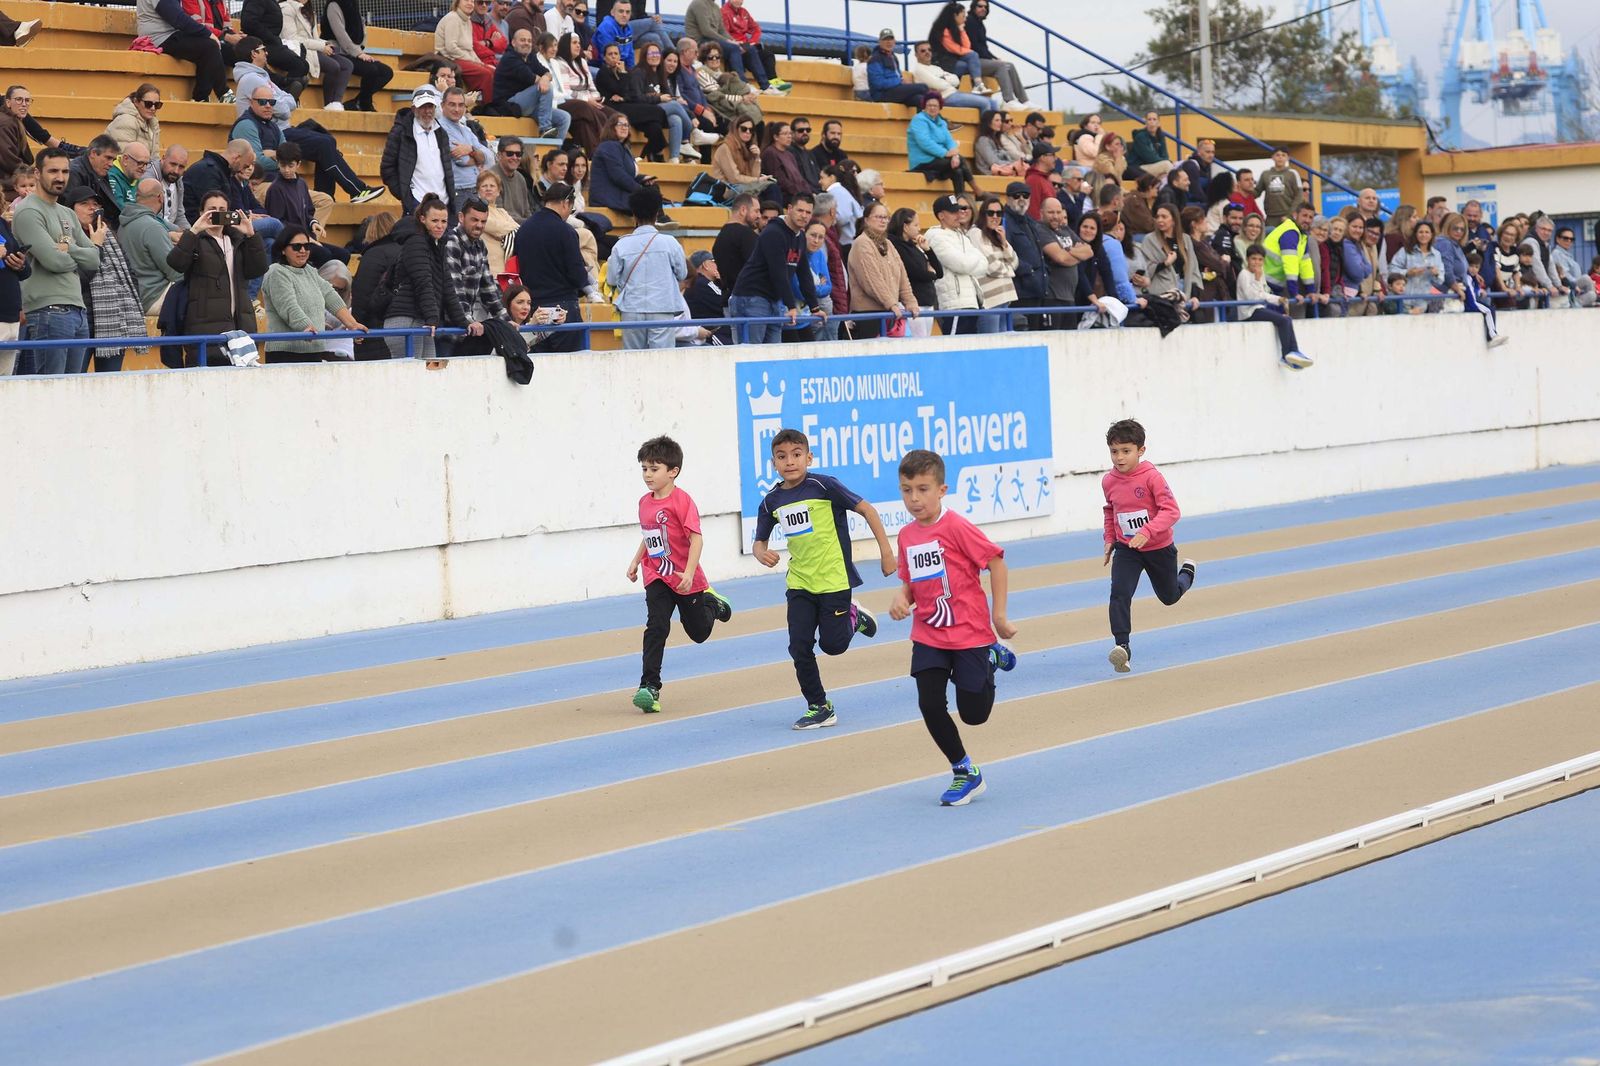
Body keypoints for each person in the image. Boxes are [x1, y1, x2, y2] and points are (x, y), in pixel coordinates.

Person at [888, 446, 1016, 806]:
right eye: (907, 490)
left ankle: (990, 659)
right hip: (928, 632)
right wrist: (902, 598)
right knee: (929, 703)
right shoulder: (907, 536)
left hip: (969, 633)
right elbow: (911, 582)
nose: (914, 498)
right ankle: (965, 771)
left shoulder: (957, 527)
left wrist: (999, 616)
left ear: (942, 490)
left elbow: (997, 563)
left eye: (923, 489)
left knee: (974, 715)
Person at [750, 428, 893, 730]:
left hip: (834, 581)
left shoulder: (824, 486)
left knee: (833, 646)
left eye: (796, 455)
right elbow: (759, 541)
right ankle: (819, 706)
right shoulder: (771, 501)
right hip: (800, 583)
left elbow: (866, 509)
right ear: (773, 463)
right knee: (799, 646)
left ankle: (853, 617)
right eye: (781, 456)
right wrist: (760, 552)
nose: (790, 461)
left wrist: (886, 552)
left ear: (808, 457)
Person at [627, 434, 735, 715]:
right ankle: (649, 687)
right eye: (644, 469)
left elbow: (696, 539)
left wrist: (688, 573)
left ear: (673, 471)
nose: (647, 475)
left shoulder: (682, 501)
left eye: (654, 469)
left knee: (698, 633)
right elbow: (649, 536)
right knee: (656, 625)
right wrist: (636, 561)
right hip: (657, 576)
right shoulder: (644, 502)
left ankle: (713, 603)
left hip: (685, 578)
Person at [1102, 419, 1196, 674]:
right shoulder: (1108, 481)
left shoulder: (1151, 477)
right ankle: (1122, 647)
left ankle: (1186, 575)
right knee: (1119, 593)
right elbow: (1111, 510)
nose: (1119, 458)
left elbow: (1172, 511)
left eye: (1126, 451)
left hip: (1158, 548)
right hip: (1127, 549)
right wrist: (1110, 538)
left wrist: (1148, 531)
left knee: (1169, 597)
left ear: (1141, 450)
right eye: (1114, 451)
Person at [12, 148, 102, 375]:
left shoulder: (67, 213)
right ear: (37, 173)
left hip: (78, 311)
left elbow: (94, 260)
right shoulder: (28, 211)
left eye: (65, 171)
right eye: (53, 171)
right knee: (50, 392)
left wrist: (68, 248)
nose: (60, 177)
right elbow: (54, 261)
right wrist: (77, 254)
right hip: (48, 311)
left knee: (71, 391)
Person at [165, 188, 267, 366]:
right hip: (205, 327)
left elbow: (257, 269)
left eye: (222, 210)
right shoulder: (194, 239)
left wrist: (251, 235)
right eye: (212, 209)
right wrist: (194, 230)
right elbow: (176, 263)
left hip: (240, 327)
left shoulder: (238, 239)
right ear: (202, 213)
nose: (217, 214)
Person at [382, 194, 474, 358]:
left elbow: (447, 286)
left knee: (429, 375)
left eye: (443, 221)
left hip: (422, 321)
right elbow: (423, 282)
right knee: (412, 377)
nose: (440, 226)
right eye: (435, 221)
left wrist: (463, 321)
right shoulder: (416, 242)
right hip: (406, 320)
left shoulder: (437, 245)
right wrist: (433, 318)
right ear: (422, 219)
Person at [260, 223, 366, 362]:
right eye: (297, 246)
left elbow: (330, 296)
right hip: (286, 352)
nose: (303, 250)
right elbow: (288, 306)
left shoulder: (310, 271)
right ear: (283, 250)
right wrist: (305, 326)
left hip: (314, 348)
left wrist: (352, 324)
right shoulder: (276, 272)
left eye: (307, 246)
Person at [729, 192, 822, 343]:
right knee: (752, 355)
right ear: (789, 209)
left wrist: (815, 308)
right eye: (800, 210)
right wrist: (791, 306)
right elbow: (778, 272)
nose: (804, 215)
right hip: (752, 297)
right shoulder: (773, 233)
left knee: (773, 355)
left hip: (774, 300)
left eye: (808, 212)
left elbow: (804, 274)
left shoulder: (800, 237)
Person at [605, 186, 686, 348]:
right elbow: (682, 274)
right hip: (662, 308)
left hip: (631, 309)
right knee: (662, 362)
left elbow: (612, 279)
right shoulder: (670, 243)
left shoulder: (621, 245)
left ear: (634, 214)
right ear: (657, 213)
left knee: (633, 360)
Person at [514, 181, 585, 351]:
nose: (569, 214)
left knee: (539, 368)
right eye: (571, 209)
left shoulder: (523, 230)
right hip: (564, 308)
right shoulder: (566, 231)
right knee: (569, 367)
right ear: (565, 203)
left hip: (535, 310)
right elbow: (577, 275)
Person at [847, 200, 917, 339]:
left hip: (889, 312)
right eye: (878, 217)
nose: (883, 221)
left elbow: (902, 276)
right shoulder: (862, 243)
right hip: (869, 314)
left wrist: (910, 301)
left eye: (885, 217)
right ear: (866, 220)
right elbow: (872, 280)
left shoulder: (888, 243)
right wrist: (891, 303)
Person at [135, 0, 230, 102]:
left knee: (220, 48)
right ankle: (209, 96)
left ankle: (213, 95)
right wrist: (207, 34)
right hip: (159, 38)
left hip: (172, 34)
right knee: (209, 47)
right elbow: (177, 18)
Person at [381, 86, 455, 214]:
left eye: (430, 107)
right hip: (416, 203)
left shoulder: (441, 132)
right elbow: (387, 168)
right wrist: (405, 195)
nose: (427, 111)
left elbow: (447, 168)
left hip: (443, 202)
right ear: (414, 109)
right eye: (423, 107)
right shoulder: (401, 132)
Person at [1238, 242, 1312, 367]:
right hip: (1248, 312)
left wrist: (1279, 299)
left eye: (1260, 260)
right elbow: (1252, 297)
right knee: (1283, 320)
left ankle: (1293, 351)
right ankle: (1286, 355)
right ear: (1247, 259)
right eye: (1253, 259)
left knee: (1287, 318)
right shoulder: (1244, 274)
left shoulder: (1259, 274)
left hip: (1259, 308)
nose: (1257, 262)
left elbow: (1263, 294)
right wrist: (1256, 279)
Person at [119, 177, 184, 314]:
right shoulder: (152, 227)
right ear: (161, 198)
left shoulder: (124, 223)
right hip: (154, 297)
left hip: (134, 296)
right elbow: (174, 271)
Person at [595, 43, 669, 161]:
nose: (614, 56)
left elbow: (631, 93)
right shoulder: (603, 72)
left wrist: (624, 96)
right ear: (604, 58)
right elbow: (619, 89)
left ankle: (643, 156)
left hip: (626, 104)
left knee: (655, 126)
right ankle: (655, 155)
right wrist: (623, 75)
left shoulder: (626, 71)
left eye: (616, 53)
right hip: (613, 107)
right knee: (657, 111)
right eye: (610, 54)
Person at [495, 28, 571, 141]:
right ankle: (545, 128)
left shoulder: (530, 57)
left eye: (529, 41)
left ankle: (553, 152)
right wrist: (545, 79)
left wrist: (545, 77)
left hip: (527, 105)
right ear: (513, 42)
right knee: (546, 87)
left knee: (564, 117)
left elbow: (547, 72)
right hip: (509, 104)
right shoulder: (510, 58)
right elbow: (532, 78)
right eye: (522, 40)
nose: (527, 43)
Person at [924, 194, 984, 334]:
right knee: (955, 346)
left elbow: (984, 265)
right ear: (941, 216)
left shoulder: (962, 236)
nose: (958, 215)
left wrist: (967, 263)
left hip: (972, 302)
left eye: (959, 210)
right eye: (953, 212)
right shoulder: (935, 236)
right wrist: (970, 263)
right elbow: (959, 264)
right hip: (953, 304)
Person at [278, 0, 353, 110]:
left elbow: (314, 38)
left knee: (347, 65)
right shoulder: (286, 8)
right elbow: (292, 38)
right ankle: (328, 104)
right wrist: (321, 46)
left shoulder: (309, 11)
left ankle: (336, 103)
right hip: (299, 49)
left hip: (314, 48)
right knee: (334, 66)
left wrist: (325, 44)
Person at [320, 0, 394, 112]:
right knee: (371, 69)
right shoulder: (333, 5)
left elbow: (361, 29)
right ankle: (364, 103)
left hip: (353, 52)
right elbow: (340, 34)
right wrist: (358, 53)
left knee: (386, 72)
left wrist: (360, 50)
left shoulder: (353, 5)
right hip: (336, 51)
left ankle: (359, 101)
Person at [631, 42, 696, 162]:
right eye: (651, 53)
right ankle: (694, 133)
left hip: (659, 110)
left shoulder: (659, 74)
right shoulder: (638, 72)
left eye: (657, 53)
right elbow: (637, 98)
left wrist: (662, 98)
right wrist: (658, 98)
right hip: (643, 111)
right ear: (645, 55)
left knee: (675, 119)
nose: (654, 56)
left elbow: (669, 96)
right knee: (675, 106)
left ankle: (674, 158)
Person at [688, 38, 763, 140]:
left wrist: (747, 96)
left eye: (717, 56)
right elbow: (716, 96)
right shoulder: (702, 73)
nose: (715, 59)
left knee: (758, 122)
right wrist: (741, 98)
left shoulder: (723, 74)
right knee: (748, 125)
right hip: (720, 112)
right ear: (704, 59)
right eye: (711, 57)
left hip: (730, 109)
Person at [240, 0, 311, 97]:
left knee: (302, 61)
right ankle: (282, 95)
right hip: (262, 45)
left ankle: (287, 92)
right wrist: (271, 38)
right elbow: (249, 22)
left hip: (272, 43)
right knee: (300, 65)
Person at [591, 113, 659, 214]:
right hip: (609, 195)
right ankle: (656, 219)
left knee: (652, 187)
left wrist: (643, 178)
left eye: (626, 125)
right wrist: (640, 190)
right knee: (648, 196)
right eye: (620, 124)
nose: (624, 128)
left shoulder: (623, 148)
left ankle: (658, 218)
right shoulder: (609, 146)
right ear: (611, 127)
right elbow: (618, 176)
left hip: (619, 191)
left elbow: (628, 174)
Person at [437, 87, 492, 210]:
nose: (457, 109)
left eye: (461, 105)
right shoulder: (440, 129)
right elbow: (462, 160)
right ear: (442, 105)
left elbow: (490, 158)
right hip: (458, 191)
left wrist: (470, 149)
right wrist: (478, 156)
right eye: (452, 105)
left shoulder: (466, 130)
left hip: (474, 189)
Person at [907, 95, 974, 196]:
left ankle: (960, 201)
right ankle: (976, 190)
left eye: (935, 106)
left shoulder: (941, 122)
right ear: (924, 107)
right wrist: (945, 153)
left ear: (940, 108)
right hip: (923, 161)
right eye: (929, 105)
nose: (932, 108)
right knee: (960, 162)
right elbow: (925, 142)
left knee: (958, 171)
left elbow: (949, 141)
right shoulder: (918, 120)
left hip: (940, 160)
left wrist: (954, 155)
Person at [963, 0, 1024, 103]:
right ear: (973, 7)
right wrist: (992, 59)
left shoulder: (980, 24)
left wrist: (994, 58)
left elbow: (984, 48)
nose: (983, 9)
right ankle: (1009, 100)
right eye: (980, 6)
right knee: (1001, 66)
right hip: (972, 61)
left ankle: (1024, 100)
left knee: (1010, 66)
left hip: (981, 59)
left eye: (985, 7)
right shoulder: (970, 22)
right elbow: (974, 47)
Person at [436, 0, 497, 103]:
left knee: (493, 70)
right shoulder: (453, 18)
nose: (470, 3)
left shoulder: (468, 21)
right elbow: (451, 48)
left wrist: (481, 63)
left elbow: (470, 49)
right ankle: (487, 106)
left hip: (462, 58)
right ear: (457, 2)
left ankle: (495, 104)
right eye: (466, 0)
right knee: (485, 74)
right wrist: (473, 62)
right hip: (449, 59)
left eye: (472, 1)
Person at [721, 0, 786, 93]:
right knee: (750, 51)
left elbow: (756, 28)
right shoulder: (724, 12)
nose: (738, 1)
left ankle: (773, 81)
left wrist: (752, 41)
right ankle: (764, 85)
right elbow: (724, 33)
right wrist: (737, 43)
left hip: (747, 45)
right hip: (734, 46)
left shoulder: (744, 12)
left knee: (768, 54)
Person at [1263, 201, 1315, 318]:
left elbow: (1305, 264)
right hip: (1265, 285)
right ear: (1295, 215)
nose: (1307, 220)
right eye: (1304, 215)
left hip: (1274, 287)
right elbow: (1290, 264)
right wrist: (1294, 293)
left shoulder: (1302, 236)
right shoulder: (1290, 232)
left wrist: (1311, 290)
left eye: (1310, 217)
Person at [1390, 218, 1443, 315]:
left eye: (1427, 232)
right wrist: (1407, 272)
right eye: (1421, 232)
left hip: (1423, 303)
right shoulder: (1405, 251)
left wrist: (1436, 274)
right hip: (1404, 300)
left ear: (1432, 235)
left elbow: (1440, 280)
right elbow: (1392, 269)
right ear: (1415, 234)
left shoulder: (1437, 255)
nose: (1424, 235)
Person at [927, 2, 984, 93]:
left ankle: (978, 85)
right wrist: (968, 52)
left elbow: (967, 47)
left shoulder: (955, 29)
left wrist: (962, 31)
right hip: (943, 62)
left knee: (973, 55)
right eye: (963, 16)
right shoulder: (942, 31)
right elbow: (956, 49)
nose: (965, 19)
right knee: (968, 64)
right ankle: (976, 84)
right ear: (955, 16)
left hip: (953, 60)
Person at [866, 29, 929, 110]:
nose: (888, 42)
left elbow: (898, 76)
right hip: (882, 95)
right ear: (879, 42)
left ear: (894, 41)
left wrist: (901, 81)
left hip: (895, 91)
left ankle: (920, 122)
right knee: (923, 87)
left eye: (890, 39)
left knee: (920, 99)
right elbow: (878, 83)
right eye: (885, 39)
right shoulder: (875, 59)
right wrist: (899, 81)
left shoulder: (893, 56)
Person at [0, 203, 29, 376]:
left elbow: (25, 272)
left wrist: (21, 265)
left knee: (6, 385)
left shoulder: (2, 223)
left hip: (11, 315)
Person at [710, 118, 771, 197]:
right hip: (727, 190)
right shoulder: (726, 147)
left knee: (770, 186)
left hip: (743, 187)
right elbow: (734, 179)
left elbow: (753, 176)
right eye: (744, 129)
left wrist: (756, 158)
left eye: (751, 130)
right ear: (736, 129)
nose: (748, 132)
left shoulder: (748, 148)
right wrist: (758, 180)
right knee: (760, 189)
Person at [712, 192, 760, 290]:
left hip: (729, 296)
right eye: (756, 211)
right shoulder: (746, 235)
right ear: (743, 210)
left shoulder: (721, 235)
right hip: (750, 297)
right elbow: (758, 269)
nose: (759, 215)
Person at [106, 85, 164, 157]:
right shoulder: (126, 121)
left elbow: (155, 157)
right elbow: (124, 159)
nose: (153, 108)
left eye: (157, 105)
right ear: (136, 102)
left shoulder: (153, 124)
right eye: (148, 104)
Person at [760, 122, 809, 204]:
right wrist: (800, 194)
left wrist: (808, 193)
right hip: (785, 196)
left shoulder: (789, 154)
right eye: (785, 133)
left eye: (790, 133)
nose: (789, 136)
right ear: (776, 137)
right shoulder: (770, 153)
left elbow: (799, 178)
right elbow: (780, 180)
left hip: (798, 194)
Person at [1551, 225, 1596, 307]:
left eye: (1572, 239)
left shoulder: (1567, 255)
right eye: (1565, 238)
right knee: (1586, 279)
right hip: (1567, 286)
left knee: (1592, 295)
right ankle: (1573, 304)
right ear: (1557, 239)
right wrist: (1574, 285)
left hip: (1575, 288)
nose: (1569, 241)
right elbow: (1564, 275)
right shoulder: (1557, 254)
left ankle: (1584, 303)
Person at [973, 110, 1025, 178]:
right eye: (997, 120)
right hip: (990, 174)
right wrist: (1013, 164)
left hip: (1002, 172)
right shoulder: (983, 141)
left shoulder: (996, 139)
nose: (1000, 123)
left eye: (1000, 120)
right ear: (988, 123)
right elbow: (993, 162)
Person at [106, 143, 152, 217]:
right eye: (140, 163)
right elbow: (119, 209)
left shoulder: (136, 176)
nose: (144, 169)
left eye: (147, 164)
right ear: (125, 159)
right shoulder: (111, 176)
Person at [1260, 148, 1301, 230]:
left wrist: (1289, 215)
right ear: (1272, 157)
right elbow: (1256, 192)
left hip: (1287, 217)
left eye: (1283, 155)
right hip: (1270, 217)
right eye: (1277, 155)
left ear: (1287, 158)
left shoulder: (1293, 173)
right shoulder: (1265, 174)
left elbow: (1299, 196)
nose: (1280, 157)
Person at [1126, 110, 1171, 179]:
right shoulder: (1140, 137)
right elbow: (1150, 158)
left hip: (1153, 165)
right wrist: (1166, 161)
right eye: (1149, 119)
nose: (1152, 121)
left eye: (1154, 119)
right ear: (1146, 122)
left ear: (1158, 123)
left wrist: (1166, 161)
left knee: (1165, 174)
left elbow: (1165, 155)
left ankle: (1167, 189)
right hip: (1139, 167)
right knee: (1166, 165)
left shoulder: (1161, 136)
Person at [157, 146, 190, 228]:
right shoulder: (152, 179)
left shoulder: (178, 183)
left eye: (181, 167)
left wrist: (190, 233)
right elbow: (154, 218)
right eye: (173, 164)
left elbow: (179, 216)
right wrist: (177, 231)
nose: (176, 171)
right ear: (163, 159)